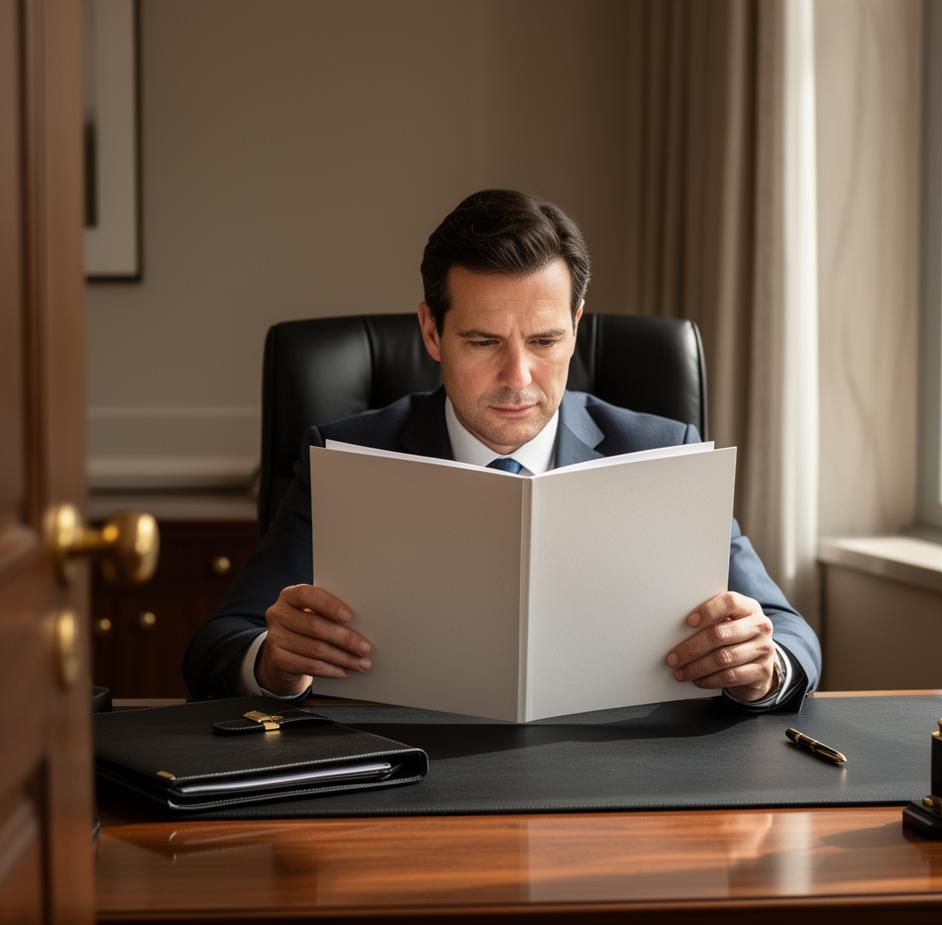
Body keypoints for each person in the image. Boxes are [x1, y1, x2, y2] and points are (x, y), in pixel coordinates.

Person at [184, 189, 821, 710]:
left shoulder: (664, 452)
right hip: (404, 774)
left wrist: (763, 667)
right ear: (432, 332)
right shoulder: (346, 455)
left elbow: (792, 636)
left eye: (544, 341)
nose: (518, 377)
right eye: (485, 342)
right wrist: (271, 660)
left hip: (614, 787)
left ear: (576, 327)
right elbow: (217, 646)